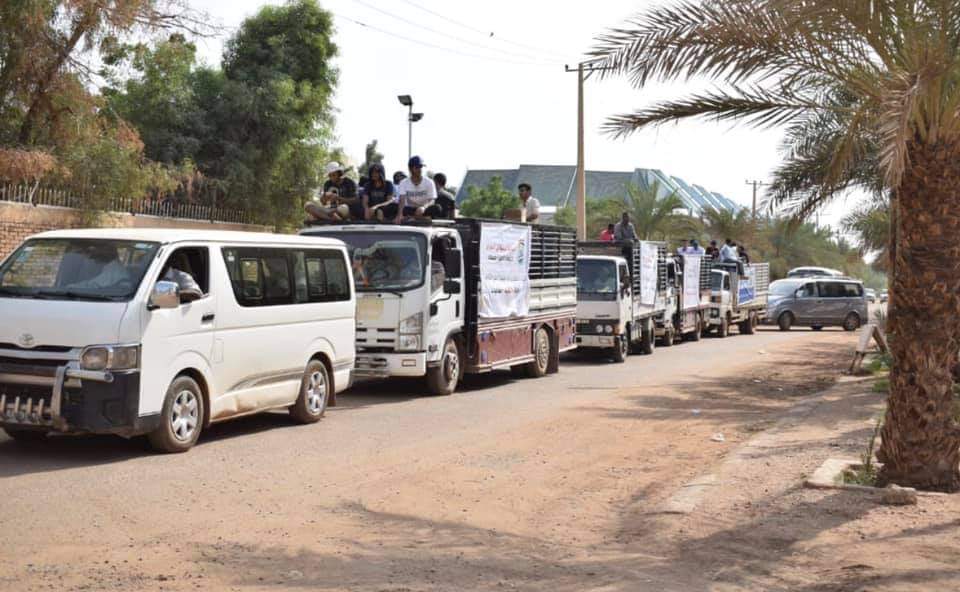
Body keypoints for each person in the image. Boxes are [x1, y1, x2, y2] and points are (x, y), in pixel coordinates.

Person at [396, 155, 437, 221]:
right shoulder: (403, 182)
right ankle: (420, 218)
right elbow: (402, 200)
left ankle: (413, 218)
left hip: (425, 209)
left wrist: (423, 207)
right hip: (410, 209)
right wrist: (400, 214)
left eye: (421, 167)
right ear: (410, 169)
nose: (420, 169)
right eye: (417, 167)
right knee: (394, 207)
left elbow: (432, 200)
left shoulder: (429, 182)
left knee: (437, 208)